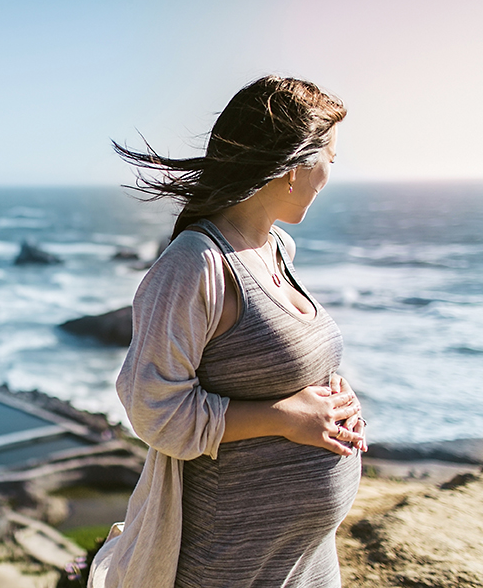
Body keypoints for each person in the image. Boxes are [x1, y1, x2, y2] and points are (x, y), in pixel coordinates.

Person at [89, 76, 367, 588]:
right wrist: (284, 418)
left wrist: (332, 396)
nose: (332, 171)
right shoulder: (194, 265)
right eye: (331, 155)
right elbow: (153, 410)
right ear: (292, 166)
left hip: (305, 559)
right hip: (232, 563)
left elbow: (270, 363)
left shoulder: (276, 248)